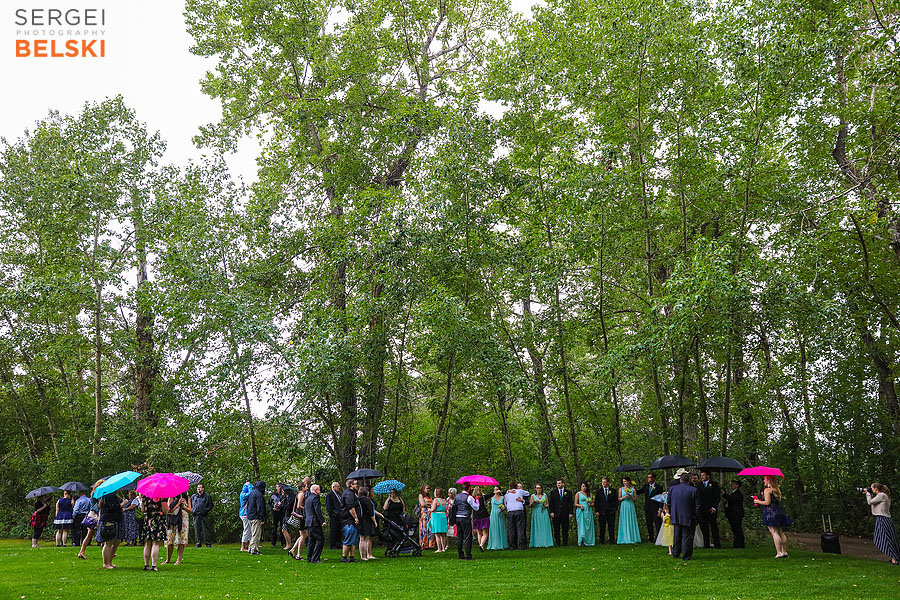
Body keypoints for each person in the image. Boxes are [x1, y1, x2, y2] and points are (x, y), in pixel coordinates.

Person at [753, 475, 790, 558]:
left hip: (770, 513)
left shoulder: (767, 490)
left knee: (774, 532)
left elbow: (767, 502)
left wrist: (757, 501)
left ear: (768, 480)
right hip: (779, 512)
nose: (764, 481)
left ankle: (779, 552)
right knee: (780, 531)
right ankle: (784, 551)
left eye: (765, 479)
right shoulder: (776, 490)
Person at [667, 471, 700, 562]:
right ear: (689, 480)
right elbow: (697, 505)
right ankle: (686, 555)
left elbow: (668, 502)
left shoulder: (672, 489)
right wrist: (696, 515)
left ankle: (676, 553)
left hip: (676, 515)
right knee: (687, 536)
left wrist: (672, 512)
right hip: (689, 516)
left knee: (677, 535)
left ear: (680, 480)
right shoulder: (693, 490)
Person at [864, 483, 899, 565]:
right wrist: (870, 494)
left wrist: (868, 494)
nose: (871, 489)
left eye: (872, 488)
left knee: (887, 539)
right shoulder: (883, 495)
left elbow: (870, 502)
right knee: (889, 539)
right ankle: (894, 558)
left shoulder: (881, 495)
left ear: (876, 489)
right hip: (884, 519)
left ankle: (895, 560)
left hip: (883, 519)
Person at [142, 493, 169, 571]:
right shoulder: (161, 496)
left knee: (147, 543)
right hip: (158, 520)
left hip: (148, 519)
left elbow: (143, 510)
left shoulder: (145, 496)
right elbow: (165, 510)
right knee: (156, 543)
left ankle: (146, 565)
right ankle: (154, 565)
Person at [453, 481, 480, 560]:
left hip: (458, 517)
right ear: (469, 488)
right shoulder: (469, 497)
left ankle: (460, 554)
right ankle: (468, 555)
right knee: (468, 537)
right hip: (465, 517)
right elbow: (476, 508)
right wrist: (477, 500)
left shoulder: (457, 496)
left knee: (459, 537)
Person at [97, 490, 124, 569]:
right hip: (109, 520)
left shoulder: (113, 495)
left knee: (116, 541)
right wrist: (123, 504)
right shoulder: (109, 496)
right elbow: (113, 507)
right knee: (109, 542)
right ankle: (106, 563)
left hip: (116, 519)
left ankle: (110, 561)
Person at [77, 480, 103, 559]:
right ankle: (81, 551)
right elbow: (98, 506)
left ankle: (82, 551)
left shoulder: (94, 493)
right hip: (95, 515)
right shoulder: (97, 494)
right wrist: (101, 500)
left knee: (90, 534)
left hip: (93, 514)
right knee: (92, 533)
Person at [164, 493, 192, 565]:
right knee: (170, 538)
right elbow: (169, 510)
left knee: (181, 539)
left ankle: (178, 559)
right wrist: (178, 504)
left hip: (183, 520)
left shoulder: (186, 497)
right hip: (173, 520)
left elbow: (190, 510)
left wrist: (183, 507)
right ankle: (168, 559)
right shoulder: (171, 497)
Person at [697, 470, 721, 549]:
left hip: (711, 509)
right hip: (702, 509)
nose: (702, 477)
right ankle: (706, 544)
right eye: (701, 475)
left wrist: (714, 507)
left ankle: (717, 544)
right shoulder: (699, 485)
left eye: (703, 475)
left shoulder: (714, 484)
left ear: (708, 476)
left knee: (713, 527)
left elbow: (717, 497)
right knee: (704, 527)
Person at [358, 485, 382, 561]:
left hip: (361, 520)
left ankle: (362, 555)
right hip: (366, 521)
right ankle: (364, 556)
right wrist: (374, 521)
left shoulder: (359, 500)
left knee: (361, 539)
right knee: (365, 538)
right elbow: (371, 512)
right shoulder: (367, 501)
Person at [637, 472, 663, 541]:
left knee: (657, 523)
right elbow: (639, 492)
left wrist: (660, 508)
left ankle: (658, 538)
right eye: (648, 477)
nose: (648, 479)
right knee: (649, 523)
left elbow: (661, 498)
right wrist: (632, 488)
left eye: (650, 477)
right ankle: (651, 538)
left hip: (655, 508)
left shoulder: (659, 487)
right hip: (647, 508)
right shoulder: (646, 486)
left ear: (654, 478)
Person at [340, 478, 361, 562]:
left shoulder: (352, 493)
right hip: (348, 520)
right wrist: (355, 517)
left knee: (353, 538)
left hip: (351, 520)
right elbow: (350, 507)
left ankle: (351, 557)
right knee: (349, 538)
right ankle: (344, 557)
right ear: (351, 485)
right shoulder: (348, 494)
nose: (357, 485)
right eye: (355, 484)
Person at [548, 479, 574, 546]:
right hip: (556, 513)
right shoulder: (553, 492)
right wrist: (551, 512)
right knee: (556, 529)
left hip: (565, 513)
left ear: (563, 483)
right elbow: (551, 503)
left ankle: (565, 542)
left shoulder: (568, 492)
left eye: (559, 483)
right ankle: (558, 543)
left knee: (565, 529)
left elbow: (570, 503)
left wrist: (571, 512)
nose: (558, 484)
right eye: (557, 483)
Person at [305, 484, 326, 563]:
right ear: (316, 490)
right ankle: (315, 558)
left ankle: (309, 557)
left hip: (308, 521)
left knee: (311, 540)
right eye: (319, 490)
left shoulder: (308, 498)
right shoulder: (315, 498)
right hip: (314, 522)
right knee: (320, 539)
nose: (320, 491)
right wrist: (322, 521)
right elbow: (317, 510)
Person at [504, 482, 529, 550]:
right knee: (520, 529)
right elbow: (527, 493)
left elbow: (505, 504)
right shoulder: (520, 491)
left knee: (511, 530)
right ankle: (522, 545)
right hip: (519, 511)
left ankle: (512, 546)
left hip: (510, 511)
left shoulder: (506, 495)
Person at [245, 480, 267, 556]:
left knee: (253, 533)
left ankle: (250, 548)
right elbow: (260, 507)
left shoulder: (252, 493)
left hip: (250, 516)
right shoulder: (259, 495)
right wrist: (262, 517)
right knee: (256, 534)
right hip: (256, 516)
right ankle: (253, 550)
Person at [594, 476, 618, 544]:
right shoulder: (599, 491)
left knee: (611, 526)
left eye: (604, 482)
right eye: (602, 482)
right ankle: (601, 541)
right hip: (602, 511)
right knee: (602, 527)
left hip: (611, 511)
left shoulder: (613, 491)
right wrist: (597, 511)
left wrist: (614, 509)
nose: (603, 483)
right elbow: (596, 502)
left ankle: (612, 541)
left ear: (608, 483)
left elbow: (616, 501)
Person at [617, 477, 641, 544]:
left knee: (631, 519)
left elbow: (635, 499)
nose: (624, 483)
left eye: (625, 481)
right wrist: (624, 497)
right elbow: (619, 498)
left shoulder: (633, 489)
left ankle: (633, 537)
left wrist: (630, 496)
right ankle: (624, 537)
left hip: (630, 505)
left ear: (628, 481)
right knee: (624, 520)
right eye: (623, 481)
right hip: (624, 505)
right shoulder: (621, 489)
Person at [529, 483, 553, 548]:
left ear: (541, 489)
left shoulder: (545, 495)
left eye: (539, 488)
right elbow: (530, 505)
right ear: (535, 489)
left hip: (544, 512)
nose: (538, 489)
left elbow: (548, 504)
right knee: (537, 527)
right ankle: (537, 543)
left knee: (544, 527)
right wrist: (534, 502)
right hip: (536, 512)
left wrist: (545, 505)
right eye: (537, 488)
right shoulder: (533, 496)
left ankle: (546, 542)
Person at [723, 479, 745, 548]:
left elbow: (732, 499)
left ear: (737, 485)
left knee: (738, 529)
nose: (731, 485)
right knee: (734, 529)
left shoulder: (738, 494)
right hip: (732, 514)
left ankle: (740, 544)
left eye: (733, 484)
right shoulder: (733, 493)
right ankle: (736, 544)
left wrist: (724, 494)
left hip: (736, 514)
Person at [289, 483, 308, 560]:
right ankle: (298, 554)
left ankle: (293, 550)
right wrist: (306, 508)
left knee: (303, 535)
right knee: (303, 535)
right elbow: (298, 505)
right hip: (300, 516)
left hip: (300, 516)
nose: (307, 488)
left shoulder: (299, 494)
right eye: (306, 487)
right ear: (302, 487)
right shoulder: (301, 494)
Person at [191, 483, 213, 548]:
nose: (199, 489)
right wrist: (193, 510)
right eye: (198, 488)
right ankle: (198, 544)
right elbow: (190, 504)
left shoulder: (207, 496)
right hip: (196, 516)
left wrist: (205, 510)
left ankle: (208, 544)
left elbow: (211, 505)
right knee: (197, 530)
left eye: (200, 487)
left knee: (205, 530)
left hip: (204, 515)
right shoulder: (193, 496)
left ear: (203, 489)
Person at [575, 482, 595, 546]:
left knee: (588, 526)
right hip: (581, 511)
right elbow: (575, 503)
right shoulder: (578, 494)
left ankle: (588, 540)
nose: (584, 488)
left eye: (585, 486)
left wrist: (591, 504)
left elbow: (593, 503)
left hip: (588, 511)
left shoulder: (590, 494)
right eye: (583, 486)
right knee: (582, 525)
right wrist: (580, 506)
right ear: (581, 487)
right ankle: (582, 540)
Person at [429, 487, 449, 553]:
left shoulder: (436, 500)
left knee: (437, 533)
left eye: (435, 492)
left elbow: (433, 509)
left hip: (436, 516)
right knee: (443, 534)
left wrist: (429, 509)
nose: (434, 493)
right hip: (443, 516)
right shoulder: (444, 500)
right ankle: (443, 548)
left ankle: (439, 549)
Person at [471, 486, 490, 551]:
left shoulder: (472, 499)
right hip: (484, 516)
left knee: (479, 533)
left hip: (476, 517)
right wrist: (483, 493)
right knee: (485, 533)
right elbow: (491, 494)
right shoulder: (483, 497)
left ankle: (480, 545)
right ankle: (481, 545)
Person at [326, 481, 343, 550]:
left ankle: (338, 544)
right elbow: (329, 506)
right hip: (334, 516)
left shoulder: (339, 494)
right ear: (333, 487)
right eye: (338, 486)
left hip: (340, 516)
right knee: (334, 530)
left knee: (339, 530)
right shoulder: (330, 495)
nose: (339, 488)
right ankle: (333, 544)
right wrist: (333, 514)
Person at [418, 484, 435, 550]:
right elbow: (422, 504)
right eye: (427, 488)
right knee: (424, 528)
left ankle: (429, 544)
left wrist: (428, 504)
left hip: (430, 513)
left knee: (429, 528)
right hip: (424, 513)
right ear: (423, 489)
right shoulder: (421, 495)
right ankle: (423, 544)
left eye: (429, 488)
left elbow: (433, 503)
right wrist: (428, 504)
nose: (428, 490)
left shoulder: (429, 496)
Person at [281, 483, 297, 550]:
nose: (282, 492)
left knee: (284, 529)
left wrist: (282, 504)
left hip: (289, 515)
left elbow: (288, 507)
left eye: (283, 491)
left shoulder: (290, 498)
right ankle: (288, 544)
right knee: (284, 530)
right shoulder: (287, 498)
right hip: (286, 515)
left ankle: (289, 544)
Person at [239, 481, 253, 552]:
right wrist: (249, 486)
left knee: (249, 530)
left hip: (246, 514)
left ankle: (247, 545)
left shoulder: (243, 493)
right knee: (247, 530)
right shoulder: (243, 495)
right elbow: (251, 494)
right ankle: (243, 547)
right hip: (244, 514)